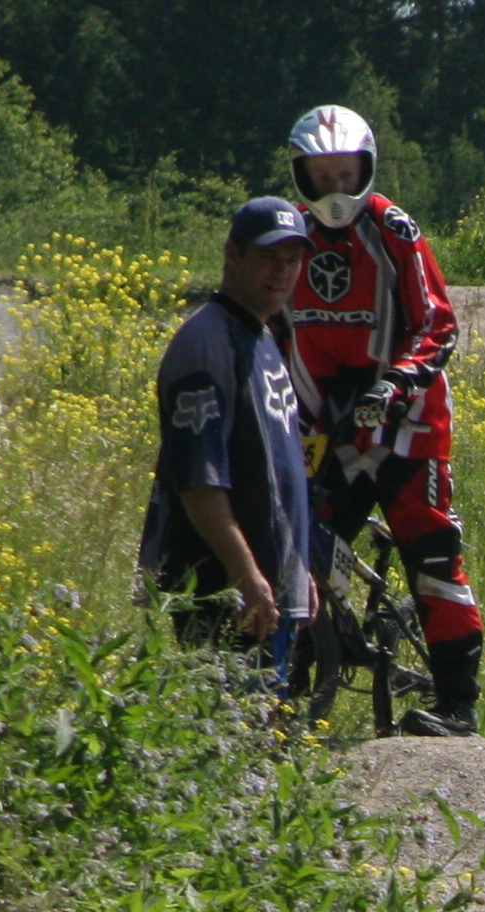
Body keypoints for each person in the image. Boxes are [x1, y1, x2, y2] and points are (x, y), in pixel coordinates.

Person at [281, 102, 485, 736]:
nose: (335, 189)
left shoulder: (394, 228)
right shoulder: (289, 237)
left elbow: (437, 323)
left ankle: (458, 706)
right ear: (301, 175)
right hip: (327, 429)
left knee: (432, 555)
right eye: (322, 176)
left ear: (366, 169)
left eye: (346, 174)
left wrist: (398, 381)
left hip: (409, 427)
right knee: (299, 549)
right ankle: (285, 696)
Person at [137, 197, 316, 693]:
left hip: (267, 591)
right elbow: (199, 480)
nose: (282, 273)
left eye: (292, 261)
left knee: (263, 729)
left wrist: (296, 571)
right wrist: (244, 573)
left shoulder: (261, 336)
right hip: (224, 593)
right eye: (269, 258)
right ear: (232, 255)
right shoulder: (207, 344)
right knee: (229, 728)